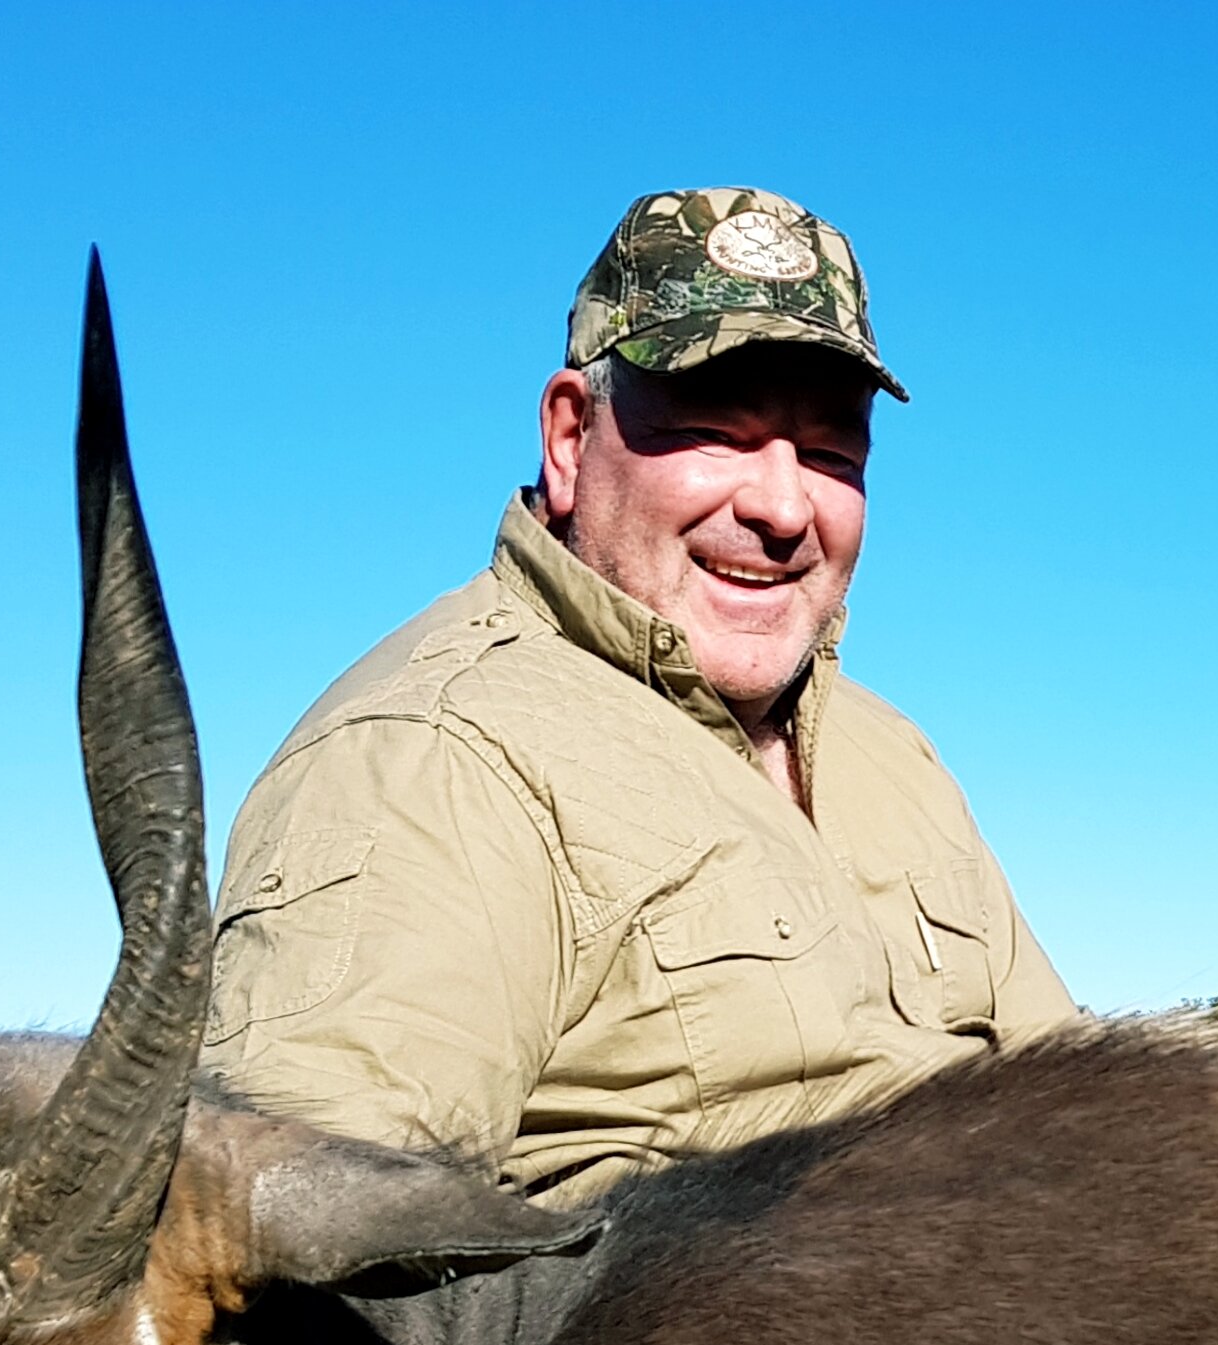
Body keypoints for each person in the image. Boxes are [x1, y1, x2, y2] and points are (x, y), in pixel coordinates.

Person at [203, 188, 1073, 1205]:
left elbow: (1085, 1102)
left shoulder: (894, 753)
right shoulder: (428, 759)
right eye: (716, 430)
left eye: (832, 451)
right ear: (570, 439)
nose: (784, 506)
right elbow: (303, 1278)